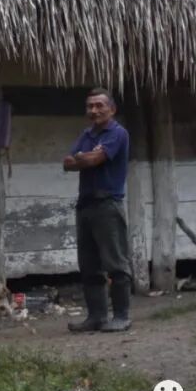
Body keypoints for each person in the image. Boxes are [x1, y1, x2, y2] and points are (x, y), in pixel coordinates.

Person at [62, 88, 133, 333]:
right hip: (86, 205)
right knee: (89, 264)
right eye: (90, 106)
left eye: (99, 105)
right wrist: (84, 157)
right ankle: (96, 316)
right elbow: (67, 162)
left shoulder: (118, 133)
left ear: (112, 109)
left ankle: (122, 316)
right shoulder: (87, 134)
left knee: (116, 262)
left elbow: (92, 160)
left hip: (107, 204)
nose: (94, 110)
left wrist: (84, 158)